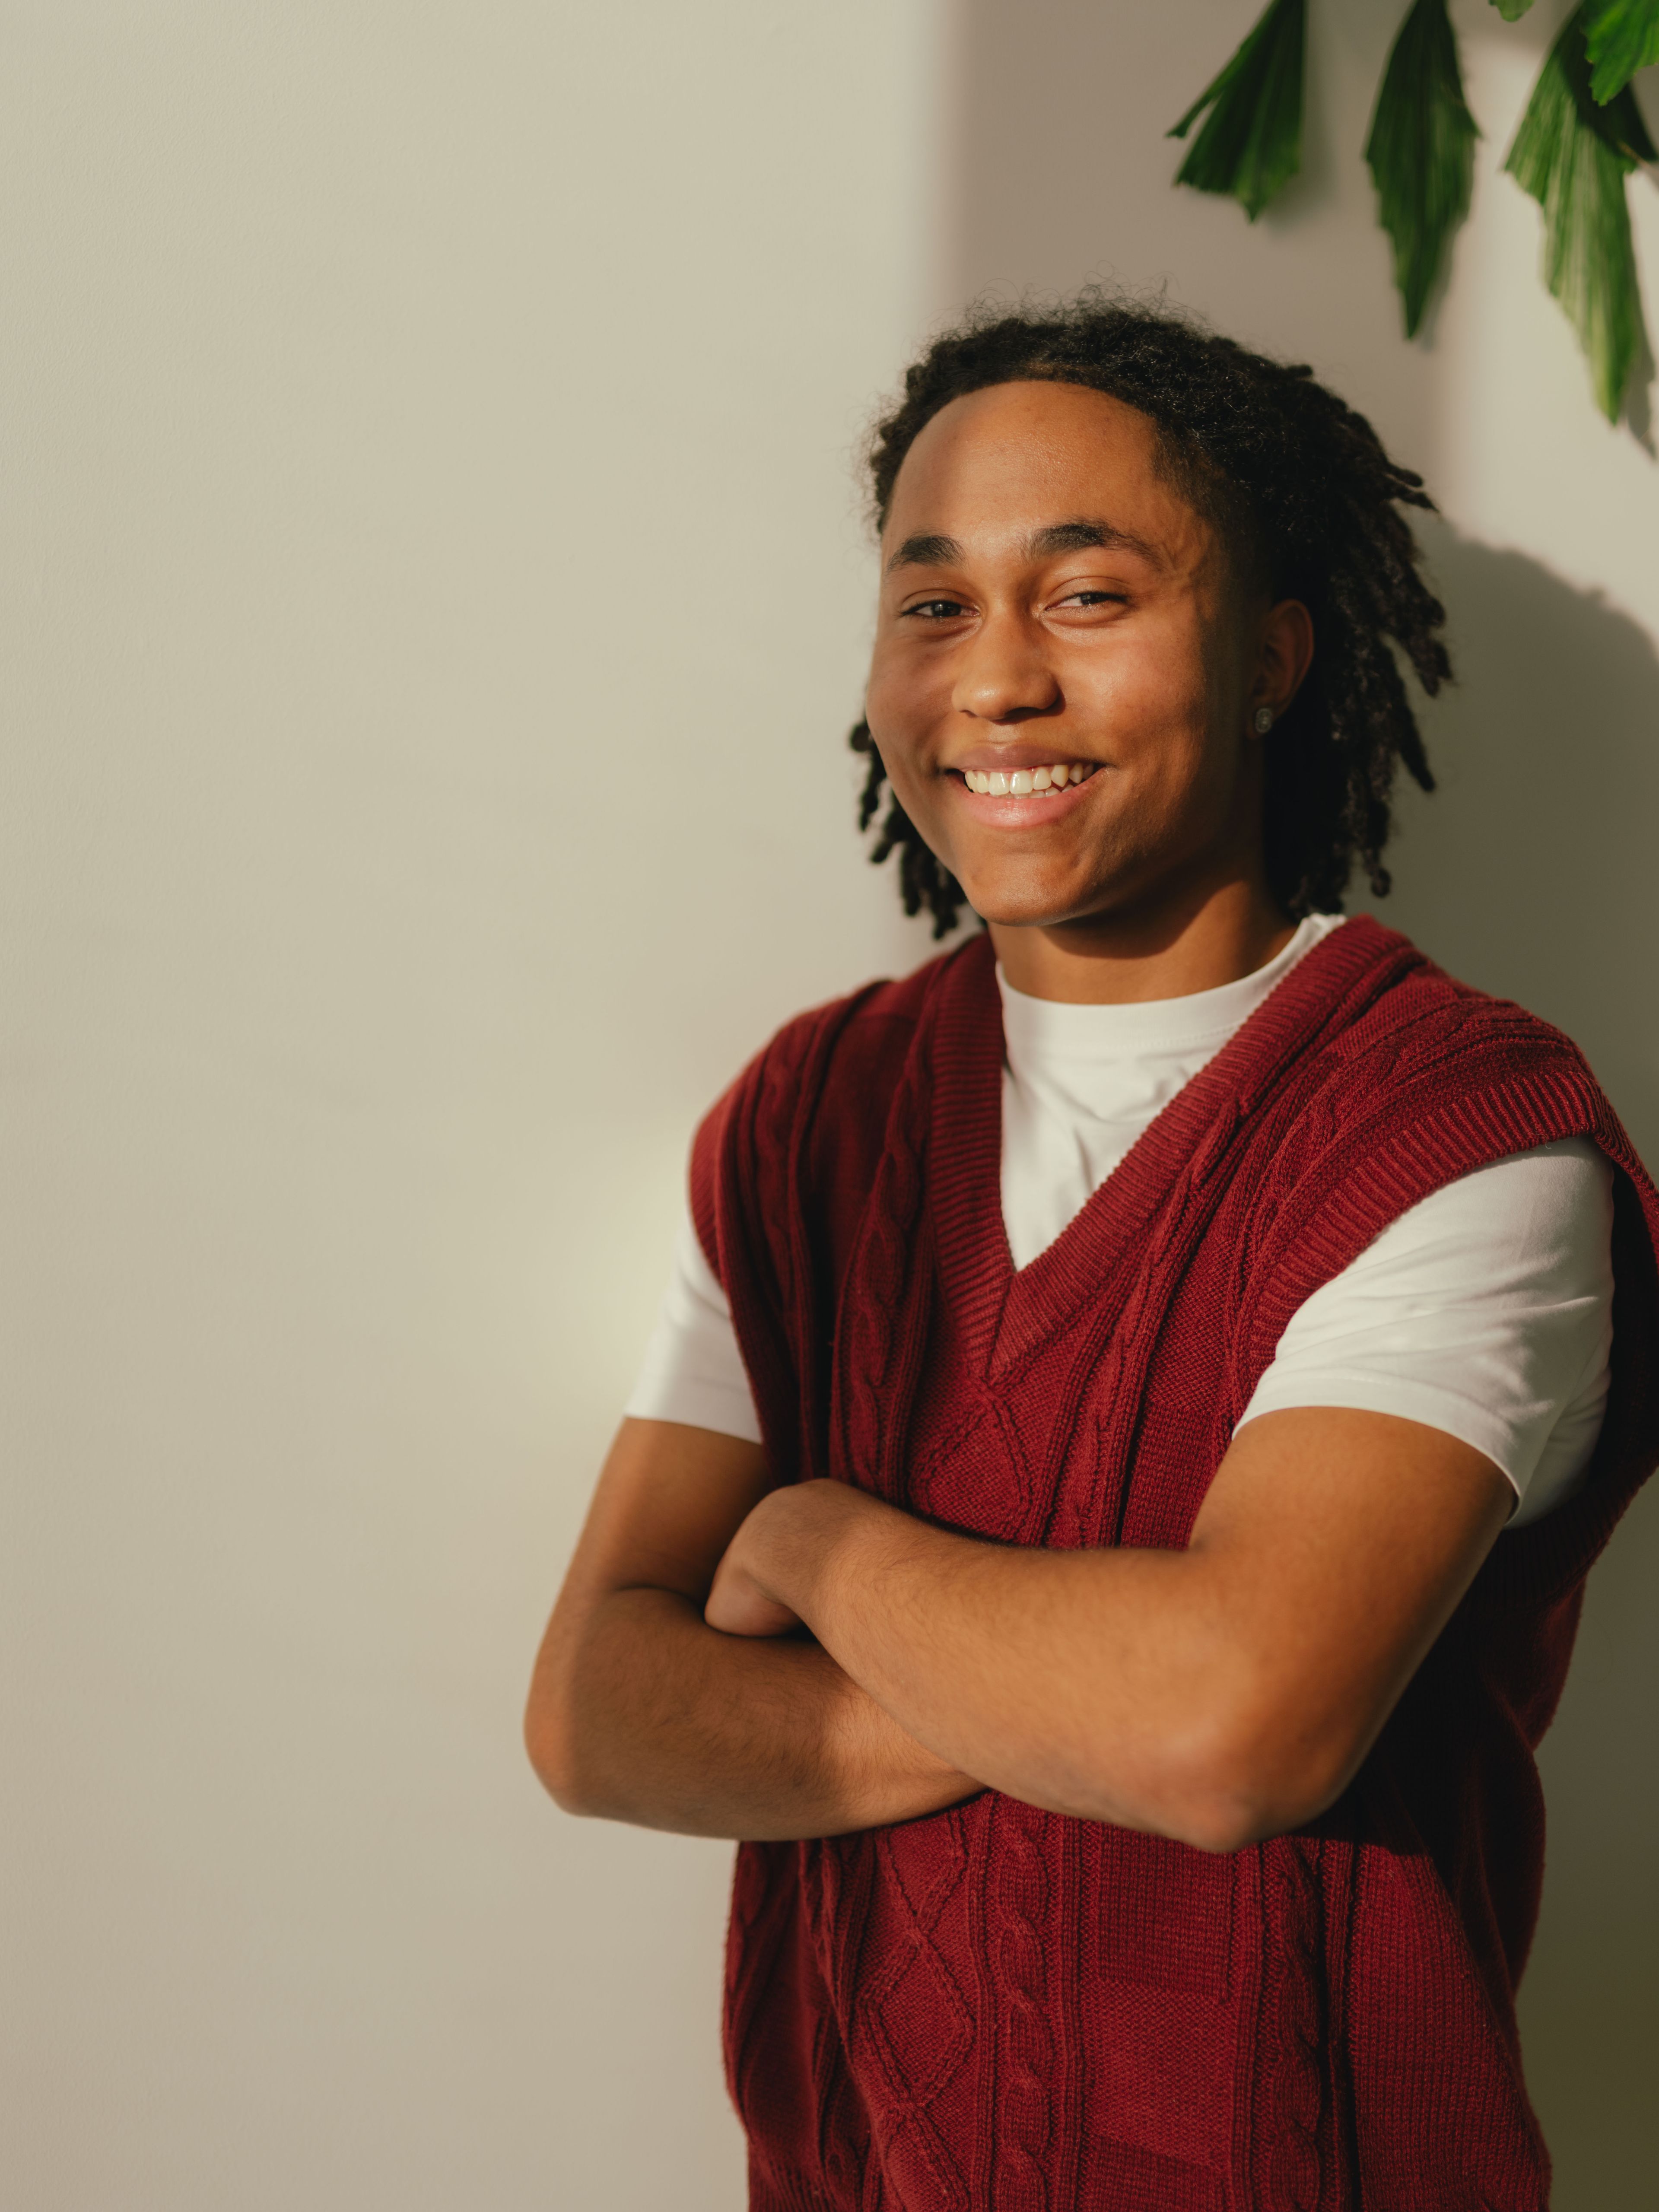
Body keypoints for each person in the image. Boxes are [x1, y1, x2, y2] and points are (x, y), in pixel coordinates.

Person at [524, 296, 1659, 2208]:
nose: (994, 682)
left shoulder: (1459, 1134)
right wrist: (1079, 1687)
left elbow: (1231, 1728)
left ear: (1275, 655)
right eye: (935, 602)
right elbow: (597, 1710)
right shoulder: (813, 1119)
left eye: (1088, 595)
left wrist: (813, 1536)